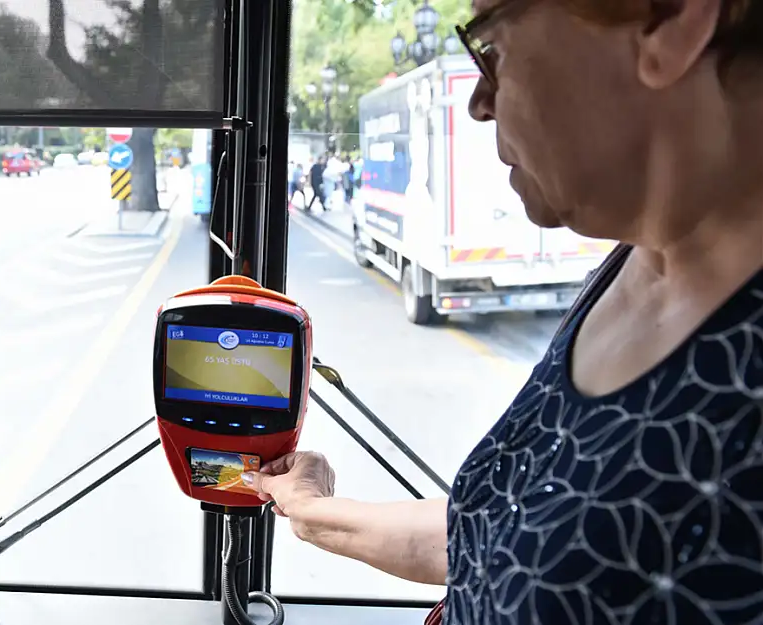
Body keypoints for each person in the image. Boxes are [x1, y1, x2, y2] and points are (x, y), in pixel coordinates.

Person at [244, 1, 763, 623]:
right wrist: (311, 511)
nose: (479, 102)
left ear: (671, 22)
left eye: (493, 48)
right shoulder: (637, 260)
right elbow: (510, 534)